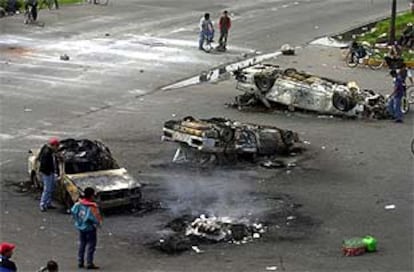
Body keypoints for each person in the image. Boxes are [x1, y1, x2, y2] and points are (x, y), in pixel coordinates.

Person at [71, 187, 102, 270]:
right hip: (90, 228)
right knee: (91, 245)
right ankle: (89, 262)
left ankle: (80, 261)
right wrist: (98, 223)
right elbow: (94, 218)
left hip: (81, 227)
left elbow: (73, 211)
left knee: (82, 244)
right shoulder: (92, 206)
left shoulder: (78, 204)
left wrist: (78, 221)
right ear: (91, 196)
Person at [39, 137, 60, 212]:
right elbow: (45, 164)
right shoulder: (47, 153)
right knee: (47, 189)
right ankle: (43, 204)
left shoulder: (48, 150)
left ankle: (48, 203)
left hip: (50, 172)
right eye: (56, 146)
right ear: (53, 145)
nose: (57, 148)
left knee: (51, 188)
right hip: (47, 173)